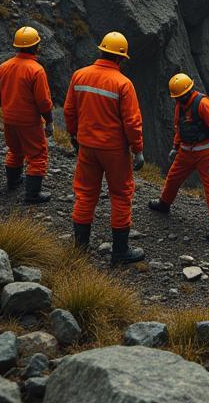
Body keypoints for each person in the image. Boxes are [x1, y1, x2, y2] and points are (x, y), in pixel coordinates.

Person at [63, 31, 145, 265]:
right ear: (120, 58)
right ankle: (120, 252)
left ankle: (80, 249)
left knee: (86, 193)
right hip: (114, 151)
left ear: (100, 51)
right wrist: (137, 149)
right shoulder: (123, 84)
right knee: (120, 195)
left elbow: (69, 110)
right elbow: (132, 122)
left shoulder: (79, 75)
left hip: (87, 146)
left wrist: (73, 135)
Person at [148, 73, 209, 239]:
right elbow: (179, 128)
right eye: (177, 98)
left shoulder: (203, 104)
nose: (178, 100)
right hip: (185, 152)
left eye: (180, 97)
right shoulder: (179, 106)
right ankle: (164, 204)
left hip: (205, 153)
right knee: (173, 178)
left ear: (188, 92)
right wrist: (175, 147)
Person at [0, 26, 54, 204]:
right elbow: (43, 102)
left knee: (15, 150)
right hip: (30, 122)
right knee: (38, 155)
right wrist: (49, 121)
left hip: (9, 119)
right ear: (36, 46)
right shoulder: (36, 70)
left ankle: (13, 183)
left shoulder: (4, 66)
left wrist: (10, 106)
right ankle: (32, 195)